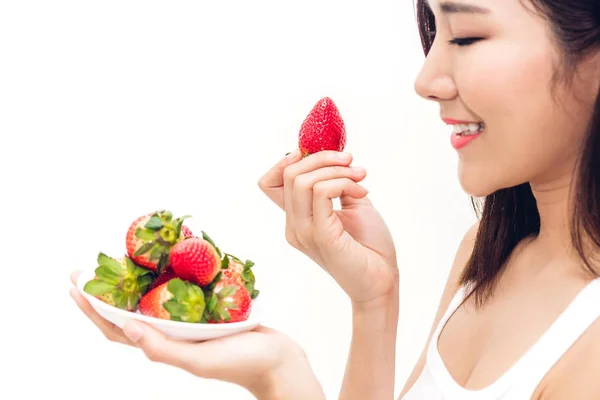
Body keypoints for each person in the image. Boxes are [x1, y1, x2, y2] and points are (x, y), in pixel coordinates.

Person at [69, 0, 600, 398]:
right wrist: (371, 306)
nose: (426, 79)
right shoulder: (488, 253)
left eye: (465, 36)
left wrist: (279, 377)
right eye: (434, 32)